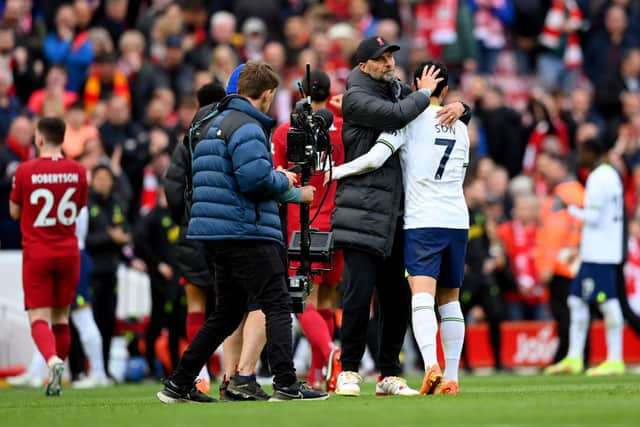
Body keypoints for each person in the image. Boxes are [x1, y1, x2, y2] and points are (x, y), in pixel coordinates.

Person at [156, 61, 327, 403]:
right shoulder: (247, 126)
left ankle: (179, 382)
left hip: (213, 231)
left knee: (227, 313)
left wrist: (274, 177)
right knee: (278, 304)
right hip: (246, 229)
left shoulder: (208, 122)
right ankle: (286, 384)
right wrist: (289, 184)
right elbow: (253, 181)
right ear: (266, 94)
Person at [331, 35, 468, 397]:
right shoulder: (358, 97)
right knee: (358, 294)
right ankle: (349, 370)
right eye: (381, 58)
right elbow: (399, 116)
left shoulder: (394, 89)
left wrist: (461, 106)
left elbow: (424, 107)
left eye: (391, 55)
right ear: (363, 66)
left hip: (399, 213)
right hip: (364, 210)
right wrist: (425, 96)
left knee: (396, 298)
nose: (390, 62)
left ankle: (390, 372)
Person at [272, 70, 345, 391]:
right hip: (339, 221)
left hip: (303, 223)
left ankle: (330, 353)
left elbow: (277, 177)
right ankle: (320, 375)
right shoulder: (344, 128)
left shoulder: (286, 131)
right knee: (328, 299)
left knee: (303, 301)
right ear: (330, 94)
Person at [9, 117, 89, 396]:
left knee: (38, 317)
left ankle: (52, 361)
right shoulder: (78, 171)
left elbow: (15, 212)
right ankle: (55, 375)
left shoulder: (25, 170)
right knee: (62, 318)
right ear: (63, 138)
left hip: (37, 252)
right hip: (68, 251)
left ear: (40, 139)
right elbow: (78, 208)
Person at [546, 139, 626, 376]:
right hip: (595, 251)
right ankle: (574, 358)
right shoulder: (610, 175)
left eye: (583, 152)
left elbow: (593, 218)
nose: (579, 157)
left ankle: (615, 360)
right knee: (576, 301)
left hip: (600, 254)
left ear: (594, 153)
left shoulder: (598, 178)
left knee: (608, 303)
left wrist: (568, 207)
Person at [536, 151, 584, 363]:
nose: (546, 170)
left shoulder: (568, 192)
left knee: (566, 313)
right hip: (561, 264)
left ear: (563, 168)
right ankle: (571, 354)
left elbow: (562, 231)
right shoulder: (564, 192)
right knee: (568, 312)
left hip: (564, 265)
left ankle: (568, 355)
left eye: (551, 166)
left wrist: (551, 263)